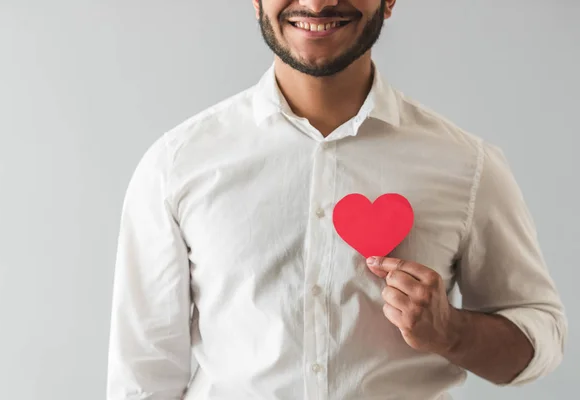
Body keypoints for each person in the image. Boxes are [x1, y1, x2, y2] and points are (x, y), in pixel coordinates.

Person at [106, 1, 567, 399]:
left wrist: (452, 332)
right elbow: (143, 380)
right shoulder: (177, 165)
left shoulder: (469, 166)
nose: (318, 3)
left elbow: (541, 336)